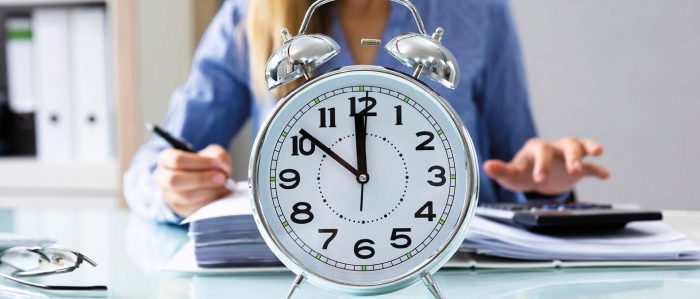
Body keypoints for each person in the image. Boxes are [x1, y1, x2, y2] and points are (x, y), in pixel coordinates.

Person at [124, 0, 610, 223]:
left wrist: (543, 178)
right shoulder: (248, 16)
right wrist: (170, 186)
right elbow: (150, 164)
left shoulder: (478, 12)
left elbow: (514, 166)